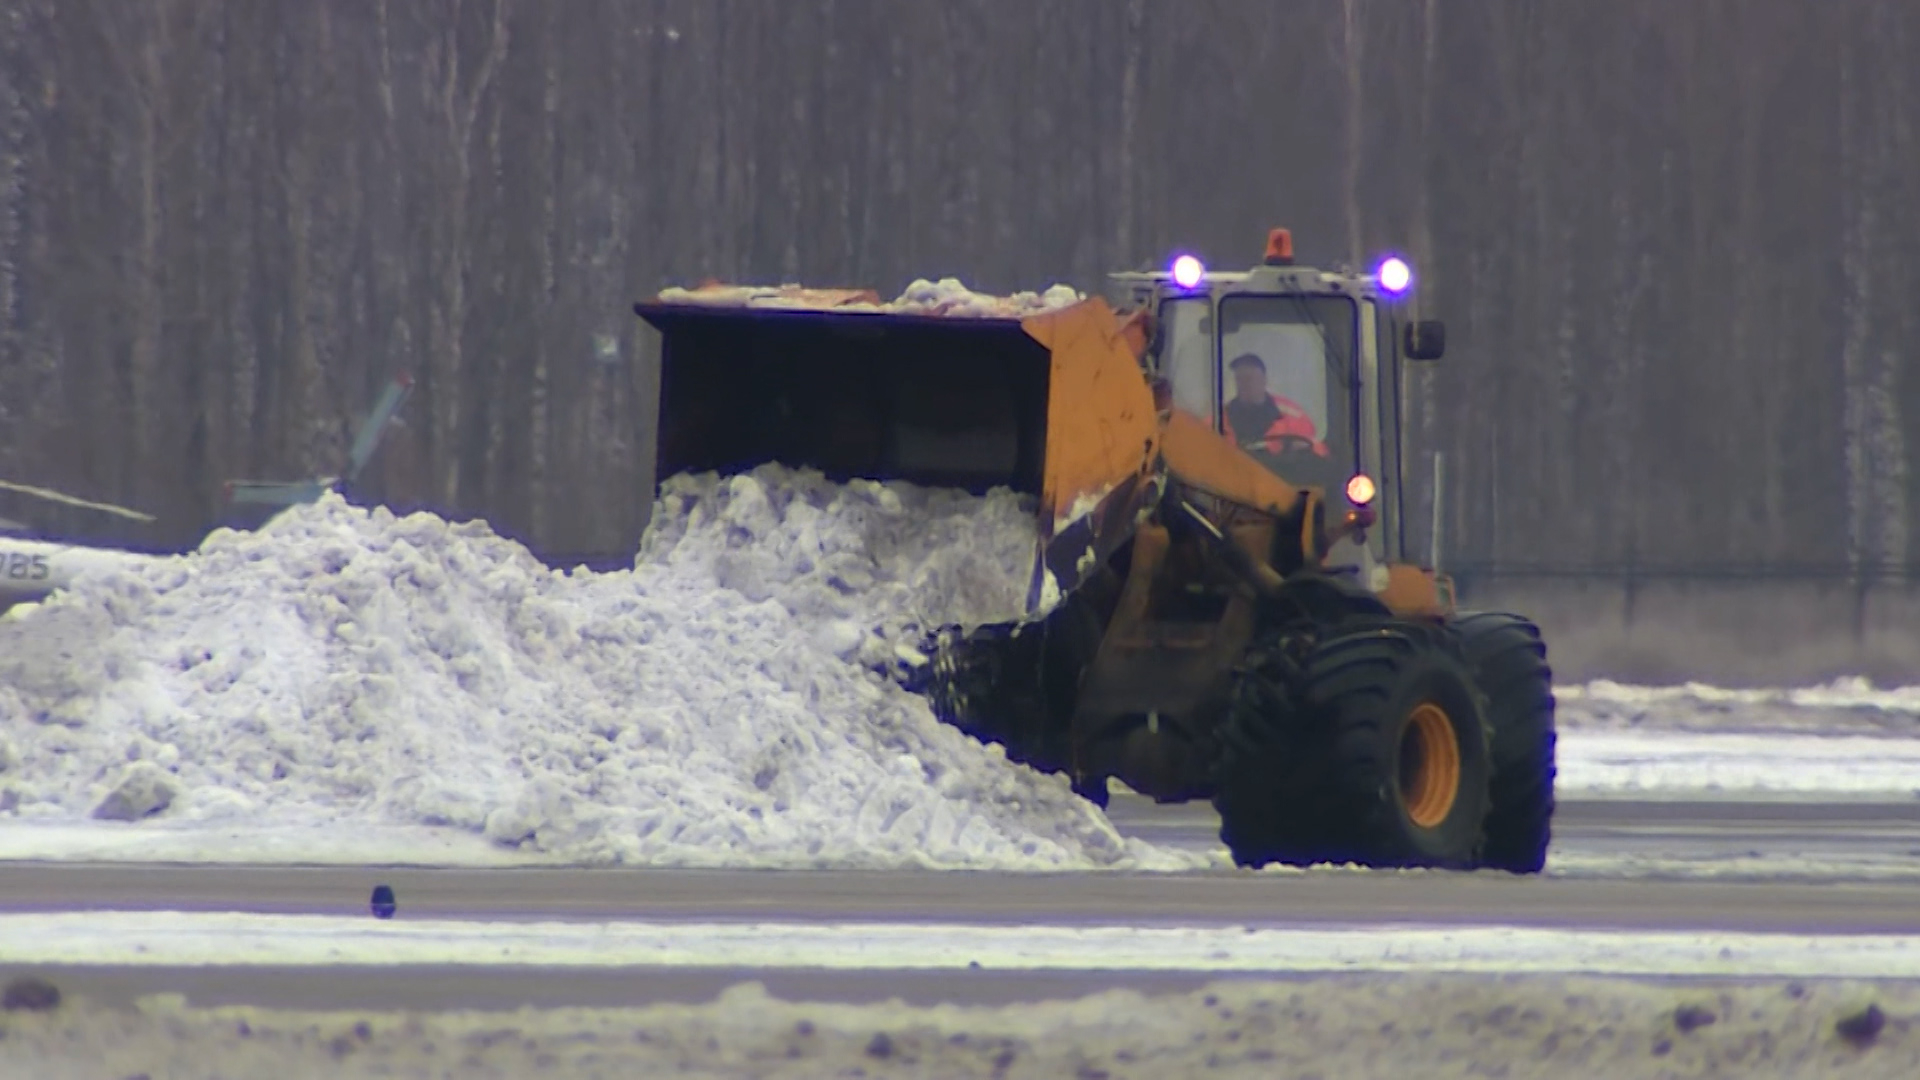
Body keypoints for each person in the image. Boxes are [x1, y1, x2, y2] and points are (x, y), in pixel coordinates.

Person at [1222, 352, 1328, 459]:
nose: (1245, 384)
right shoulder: (1218, 420)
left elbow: (1319, 450)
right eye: (1240, 379)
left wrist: (1303, 449)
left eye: (1250, 378)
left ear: (1264, 380)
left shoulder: (1292, 416)